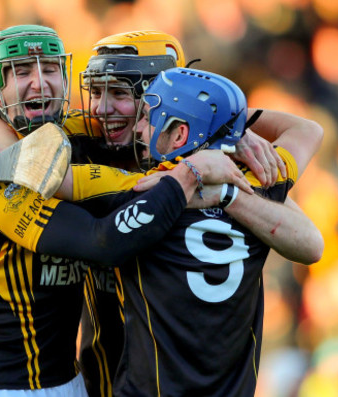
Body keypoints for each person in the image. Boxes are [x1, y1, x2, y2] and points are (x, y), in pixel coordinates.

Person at [0, 25, 253, 397]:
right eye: (22, 71)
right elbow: (100, 241)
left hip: (80, 384)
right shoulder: (7, 166)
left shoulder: (206, 152)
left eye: (50, 70)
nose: (40, 83)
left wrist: (245, 131)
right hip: (6, 384)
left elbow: (304, 149)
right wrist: (189, 180)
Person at [59, 67, 324, 395]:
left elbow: (49, 174)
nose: (140, 127)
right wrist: (229, 123)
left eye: (149, 116)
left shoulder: (144, 189)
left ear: (181, 134)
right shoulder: (253, 185)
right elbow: (307, 130)